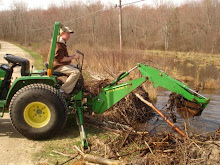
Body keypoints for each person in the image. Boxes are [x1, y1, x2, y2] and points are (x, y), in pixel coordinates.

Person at [53, 26, 80, 96]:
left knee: (77, 69)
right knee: (76, 72)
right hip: (57, 65)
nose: (69, 36)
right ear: (62, 34)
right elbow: (61, 59)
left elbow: (62, 57)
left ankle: (74, 89)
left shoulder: (62, 42)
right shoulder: (58, 44)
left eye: (69, 34)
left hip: (59, 63)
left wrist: (71, 56)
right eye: (67, 34)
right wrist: (73, 57)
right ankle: (62, 91)